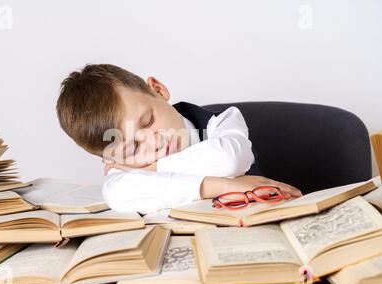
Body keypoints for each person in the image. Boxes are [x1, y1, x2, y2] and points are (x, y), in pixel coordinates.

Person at [56, 64, 302, 213]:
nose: (155, 142)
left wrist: (155, 168)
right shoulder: (122, 178)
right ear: (109, 160)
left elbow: (229, 160)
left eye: (149, 121)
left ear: (158, 90)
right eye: (134, 148)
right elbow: (117, 195)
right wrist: (216, 186)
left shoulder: (223, 121)